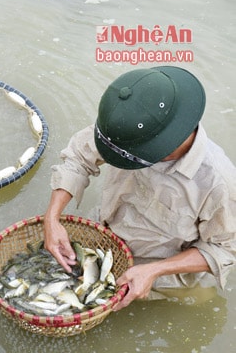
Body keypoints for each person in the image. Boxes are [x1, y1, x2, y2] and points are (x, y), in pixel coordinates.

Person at [43, 66, 236, 311]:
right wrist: (52, 218)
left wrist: (154, 270)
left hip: (160, 271)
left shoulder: (218, 182)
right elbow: (79, 157)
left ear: (162, 146)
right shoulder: (127, 128)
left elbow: (223, 249)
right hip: (103, 240)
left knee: (199, 303)